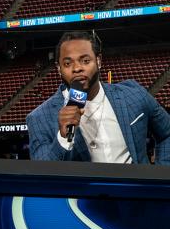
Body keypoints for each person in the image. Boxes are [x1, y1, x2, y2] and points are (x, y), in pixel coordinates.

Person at [26, 31, 170, 164]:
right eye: (68, 63)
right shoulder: (39, 118)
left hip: (135, 191)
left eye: (85, 61)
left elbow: (167, 133)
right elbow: (42, 171)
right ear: (59, 69)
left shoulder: (133, 94)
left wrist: (162, 174)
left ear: (99, 61)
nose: (77, 68)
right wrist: (63, 138)